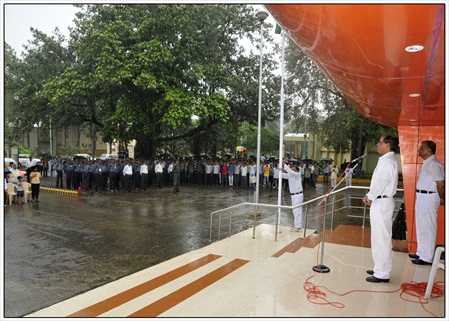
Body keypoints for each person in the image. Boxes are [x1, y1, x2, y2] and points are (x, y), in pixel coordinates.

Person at [363, 134, 399, 283]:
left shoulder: (387, 162)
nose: (377, 145)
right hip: (380, 201)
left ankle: (382, 273)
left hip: (381, 202)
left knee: (382, 238)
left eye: (379, 142)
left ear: (388, 145)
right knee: (378, 237)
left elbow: (380, 183)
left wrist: (369, 196)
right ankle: (379, 267)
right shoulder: (387, 160)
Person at [409, 140, 445, 265]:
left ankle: (428, 256)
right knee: (421, 225)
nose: (419, 149)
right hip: (422, 196)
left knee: (428, 227)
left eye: (422, 148)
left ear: (429, 150)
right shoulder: (428, 163)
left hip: (429, 197)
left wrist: (442, 198)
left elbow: (440, 183)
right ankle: (421, 252)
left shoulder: (434, 164)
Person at [280, 161, 304, 232]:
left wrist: (284, 165)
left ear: (297, 170)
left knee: (298, 211)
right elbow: (282, 175)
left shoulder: (297, 175)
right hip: (293, 195)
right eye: (292, 169)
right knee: (294, 211)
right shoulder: (290, 175)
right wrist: (279, 169)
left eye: (293, 169)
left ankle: (298, 227)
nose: (292, 170)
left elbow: (291, 172)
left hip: (298, 195)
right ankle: (296, 226)